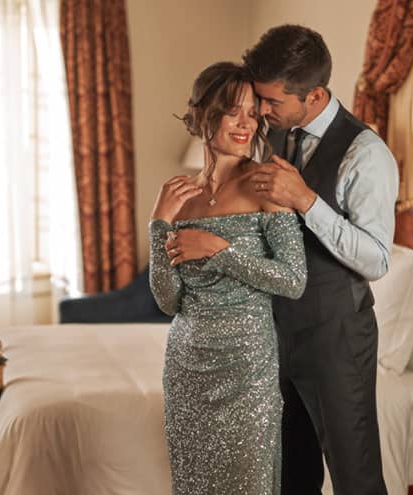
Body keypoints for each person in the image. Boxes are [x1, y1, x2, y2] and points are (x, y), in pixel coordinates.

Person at [244, 25, 398, 495]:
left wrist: (307, 200)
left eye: (272, 102)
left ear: (313, 95)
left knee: (356, 478)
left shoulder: (366, 154)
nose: (262, 112)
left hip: (337, 337)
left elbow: (376, 259)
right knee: (293, 477)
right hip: (279, 330)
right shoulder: (277, 133)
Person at [148, 61, 307, 494]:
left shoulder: (265, 183)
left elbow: (293, 280)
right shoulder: (180, 195)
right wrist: (159, 225)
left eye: (253, 113)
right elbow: (168, 301)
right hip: (186, 367)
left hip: (247, 368)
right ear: (205, 114)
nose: (245, 123)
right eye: (233, 111)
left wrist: (220, 252)